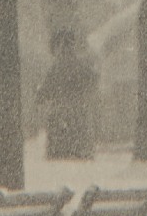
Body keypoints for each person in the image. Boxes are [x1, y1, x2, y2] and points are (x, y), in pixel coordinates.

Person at [35, 24, 99, 159]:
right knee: (80, 156)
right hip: (79, 115)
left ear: (58, 46)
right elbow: (93, 81)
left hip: (60, 116)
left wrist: (41, 97)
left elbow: (43, 93)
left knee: (59, 157)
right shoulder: (82, 66)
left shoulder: (56, 68)